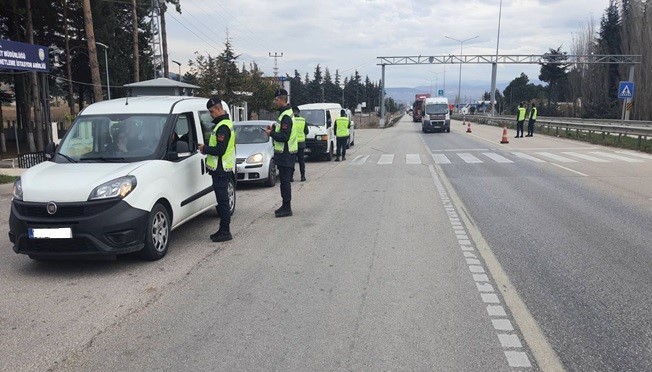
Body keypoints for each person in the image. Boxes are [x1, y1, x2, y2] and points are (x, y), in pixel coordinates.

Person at [198, 95, 235, 242]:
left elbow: (220, 149)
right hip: (221, 169)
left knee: (223, 202)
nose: (210, 115)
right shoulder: (223, 124)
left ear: (219, 109)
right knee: (222, 201)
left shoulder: (223, 127)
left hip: (221, 170)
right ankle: (223, 229)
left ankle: (225, 231)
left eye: (212, 111)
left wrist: (205, 148)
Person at [264, 89, 297, 217]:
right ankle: (285, 205)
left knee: (285, 182)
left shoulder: (285, 117)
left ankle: (287, 207)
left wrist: (270, 133)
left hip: (286, 153)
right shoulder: (285, 114)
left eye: (277, 100)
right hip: (285, 153)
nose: (275, 102)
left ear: (283, 100)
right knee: (284, 182)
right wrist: (273, 130)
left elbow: (284, 137)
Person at [292, 105, 309, 182]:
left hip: (292, 144)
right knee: (301, 160)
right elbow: (306, 132)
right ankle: (303, 176)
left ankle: (291, 177)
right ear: (299, 112)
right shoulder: (303, 120)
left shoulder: (290, 120)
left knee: (292, 161)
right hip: (301, 143)